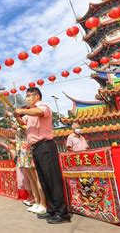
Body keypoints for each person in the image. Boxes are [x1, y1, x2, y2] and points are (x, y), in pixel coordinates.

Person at [13, 87, 71, 224]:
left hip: (46, 146)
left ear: (37, 96)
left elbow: (39, 112)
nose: (27, 98)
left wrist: (21, 110)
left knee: (52, 180)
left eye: (29, 96)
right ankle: (51, 209)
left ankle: (62, 213)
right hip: (36, 148)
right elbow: (23, 122)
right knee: (44, 180)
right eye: (26, 96)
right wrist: (17, 116)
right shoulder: (29, 112)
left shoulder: (42, 106)